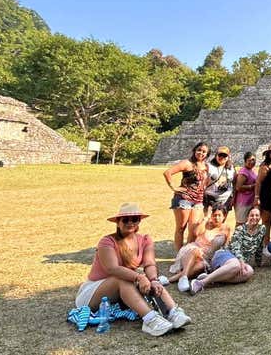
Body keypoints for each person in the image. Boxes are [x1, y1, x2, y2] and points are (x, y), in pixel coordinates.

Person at [75, 203, 191, 337]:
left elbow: (149, 264)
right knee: (125, 278)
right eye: (125, 220)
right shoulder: (107, 241)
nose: (130, 222)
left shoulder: (145, 240)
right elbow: (113, 269)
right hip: (93, 293)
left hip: (120, 290)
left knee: (151, 280)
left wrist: (153, 280)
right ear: (118, 222)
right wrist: (140, 278)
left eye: (135, 219)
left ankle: (173, 311)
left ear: (139, 221)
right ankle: (150, 320)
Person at [167, 205, 231, 292]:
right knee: (196, 251)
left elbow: (226, 244)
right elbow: (196, 232)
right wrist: (206, 218)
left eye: (219, 215)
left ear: (224, 216)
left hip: (205, 258)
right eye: (214, 215)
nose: (216, 218)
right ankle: (184, 277)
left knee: (200, 266)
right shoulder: (207, 224)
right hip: (192, 251)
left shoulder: (226, 228)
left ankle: (170, 280)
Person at [163, 142, 210, 253]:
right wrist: (173, 187)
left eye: (204, 152)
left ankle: (187, 253)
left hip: (198, 200)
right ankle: (180, 254)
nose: (201, 153)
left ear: (207, 154)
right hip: (184, 199)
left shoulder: (206, 166)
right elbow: (167, 172)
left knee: (194, 230)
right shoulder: (187, 163)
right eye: (199, 150)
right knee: (181, 228)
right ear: (194, 150)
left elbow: (204, 182)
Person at [204, 145, 235, 222]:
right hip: (211, 199)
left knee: (221, 222)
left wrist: (233, 196)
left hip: (226, 199)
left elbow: (235, 181)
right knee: (209, 221)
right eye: (220, 155)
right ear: (216, 155)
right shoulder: (208, 166)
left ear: (228, 157)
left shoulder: (231, 168)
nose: (222, 157)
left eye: (225, 155)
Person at [233, 152, 258, 226]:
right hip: (242, 203)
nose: (251, 162)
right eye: (249, 160)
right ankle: (237, 237)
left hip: (249, 201)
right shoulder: (244, 172)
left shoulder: (251, 171)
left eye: (253, 160)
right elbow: (238, 187)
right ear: (245, 161)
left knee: (248, 223)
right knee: (240, 223)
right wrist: (253, 186)